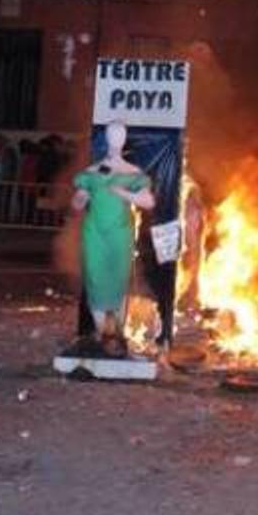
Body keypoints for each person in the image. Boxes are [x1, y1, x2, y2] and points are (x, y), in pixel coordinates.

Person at [71, 120, 155, 351]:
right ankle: (100, 334)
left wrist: (123, 192)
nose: (116, 138)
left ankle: (118, 334)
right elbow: (78, 202)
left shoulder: (133, 173)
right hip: (94, 233)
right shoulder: (91, 173)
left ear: (125, 139)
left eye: (120, 134)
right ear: (107, 138)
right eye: (112, 133)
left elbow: (148, 201)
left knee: (118, 279)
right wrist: (80, 199)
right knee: (96, 278)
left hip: (120, 232)